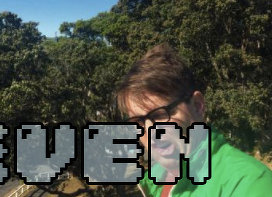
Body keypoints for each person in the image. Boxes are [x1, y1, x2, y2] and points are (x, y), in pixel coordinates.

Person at [115, 44, 272, 197]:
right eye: (138, 122)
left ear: (198, 106)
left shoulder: (249, 184)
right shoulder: (153, 182)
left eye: (160, 115)